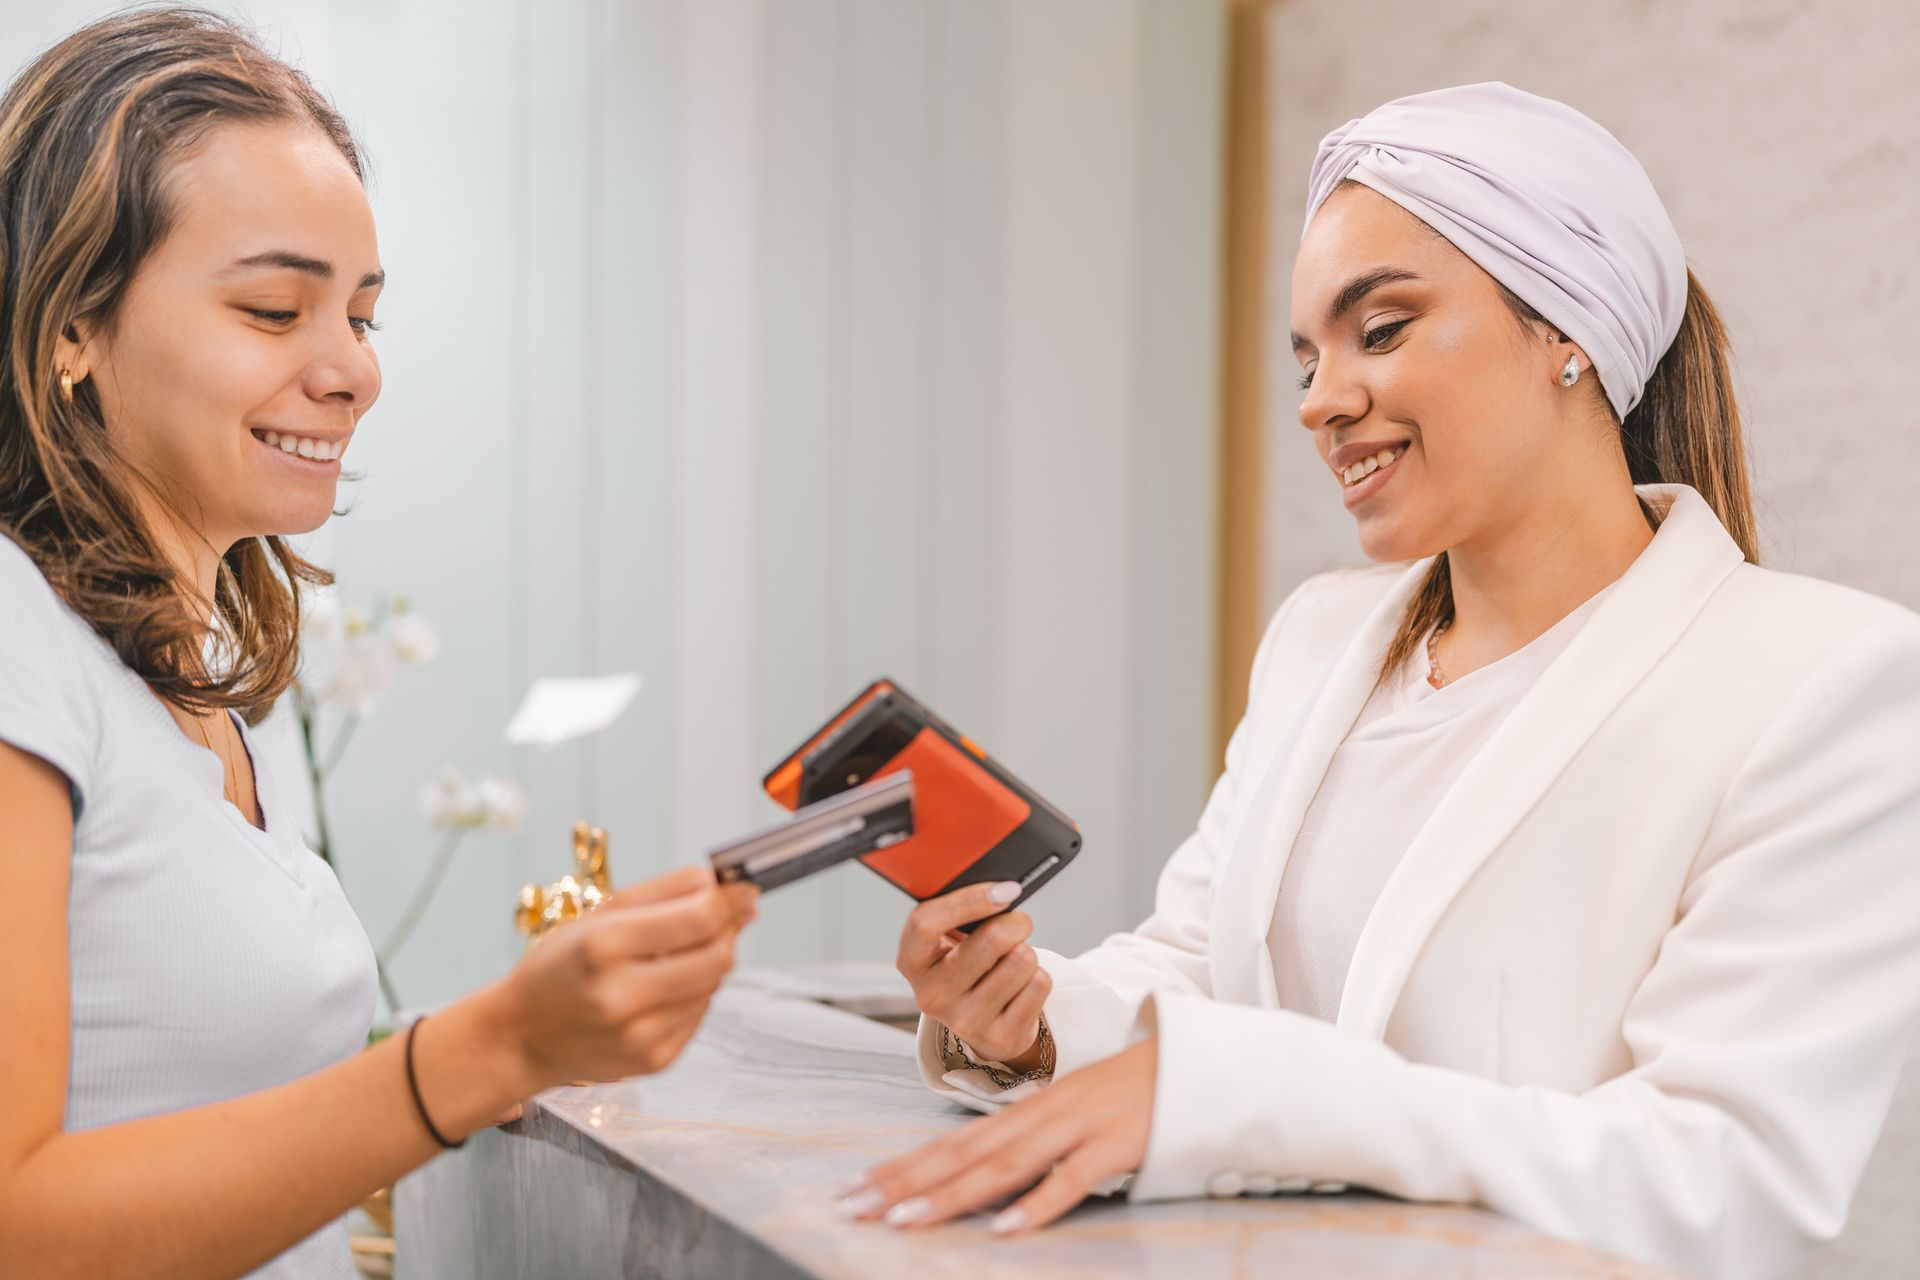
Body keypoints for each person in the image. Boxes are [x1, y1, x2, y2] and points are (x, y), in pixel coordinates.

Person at [838, 82, 1920, 1280]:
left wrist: (1277, 1098)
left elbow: (1727, 1183)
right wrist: (1036, 1021)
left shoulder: (1822, 683)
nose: (1319, 400)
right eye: (1307, 354)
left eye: (1382, 329)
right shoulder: (1318, 639)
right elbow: (1200, 964)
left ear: (1569, 328)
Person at [0, 11, 757, 1279]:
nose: (352, 369)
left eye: (361, 315)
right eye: (275, 307)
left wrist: (534, 1034)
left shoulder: (193, 687)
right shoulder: (16, 640)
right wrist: (488, 1048)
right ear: (71, 325)